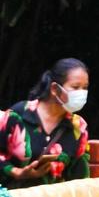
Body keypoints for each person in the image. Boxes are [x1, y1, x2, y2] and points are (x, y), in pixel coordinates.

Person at [0, 59, 91, 187]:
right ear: (54, 89)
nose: (81, 93)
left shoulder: (78, 127)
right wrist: (17, 172)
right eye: (75, 87)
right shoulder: (19, 114)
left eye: (85, 88)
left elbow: (80, 178)